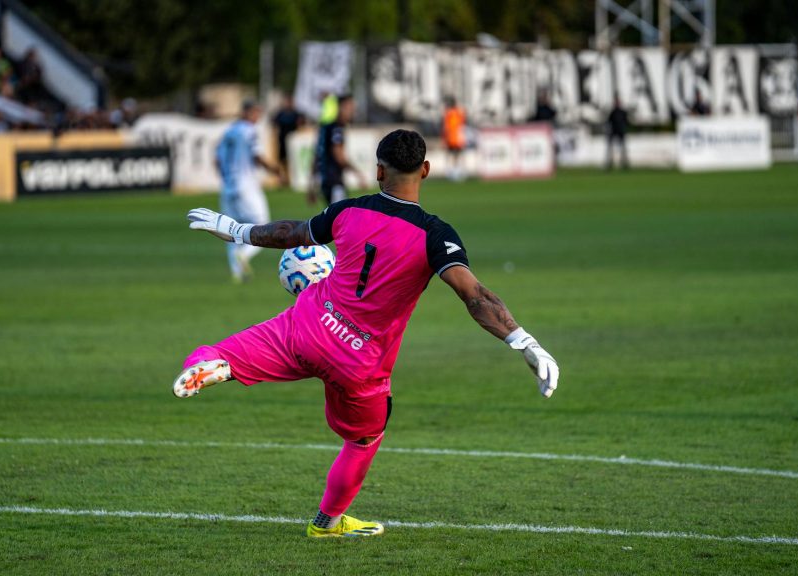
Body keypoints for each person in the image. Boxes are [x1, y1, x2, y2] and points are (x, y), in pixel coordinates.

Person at [179, 129, 560, 538]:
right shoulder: (436, 235)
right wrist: (524, 341)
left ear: (379, 171)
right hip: (359, 362)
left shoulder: (349, 210)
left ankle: (211, 367)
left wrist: (238, 231)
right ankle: (327, 522)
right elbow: (475, 296)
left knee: (220, 353)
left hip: (306, 326)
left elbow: (293, 232)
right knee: (364, 439)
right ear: (426, 170)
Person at [214, 99, 281, 283]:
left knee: (230, 229)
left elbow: (217, 160)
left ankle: (237, 274)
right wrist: (275, 170)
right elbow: (257, 156)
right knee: (263, 225)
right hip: (247, 186)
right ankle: (244, 254)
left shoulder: (228, 132)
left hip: (228, 188)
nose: (258, 117)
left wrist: (228, 177)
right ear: (247, 112)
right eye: (256, 112)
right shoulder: (249, 131)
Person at [312, 94, 364, 206]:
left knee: (334, 218)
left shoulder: (325, 127)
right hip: (334, 181)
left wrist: (312, 184)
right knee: (340, 218)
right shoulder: (337, 129)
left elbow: (317, 155)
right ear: (342, 107)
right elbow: (338, 156)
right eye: (351, 108)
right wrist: (357, 173)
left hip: (325, 180)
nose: (352, 112)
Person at [271, 95, 303, 187]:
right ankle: (281, 180)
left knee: (291, 160)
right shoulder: (281, 113)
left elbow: (301, 123)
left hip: (293, 142)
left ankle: (291, 179)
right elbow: (274, 122)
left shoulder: (295, 113)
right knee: (282, 161)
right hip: (282, 140)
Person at [442, 96, 466, 181]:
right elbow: (461, 125)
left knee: (452, 155)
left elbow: (446, 127)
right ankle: (456, 172)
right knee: (456, 155)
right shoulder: (458, 113)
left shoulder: (450, 113)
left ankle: (453, 172)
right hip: (456, 138)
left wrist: (444, 138)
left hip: (453, 138)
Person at [606, 98, 629, 171]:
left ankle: (624, 164)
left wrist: (624, 129)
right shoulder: (612, 112)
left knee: (623, 149)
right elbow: (609, 122)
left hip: (621, 132)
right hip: (613, 132)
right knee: (610, 149)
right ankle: (610, 163)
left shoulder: (623, 112)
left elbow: (626, 122)